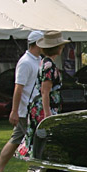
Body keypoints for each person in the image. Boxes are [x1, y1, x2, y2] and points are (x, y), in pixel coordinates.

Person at [0, 30, 43, 172]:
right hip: (27, 110)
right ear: (37, 43)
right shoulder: (26, 62)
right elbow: (18, 88)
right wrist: (15, 111)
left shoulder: (37, 60)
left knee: (15, 140)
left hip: (30, 109)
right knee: (35, 144)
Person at [18, 30, 71, 159]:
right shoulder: (48, 66)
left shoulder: (46, 62)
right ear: (57, 48)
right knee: (44, 138)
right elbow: (45, 91)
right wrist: (47, 114)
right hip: (44, 107)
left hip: (47, 105)